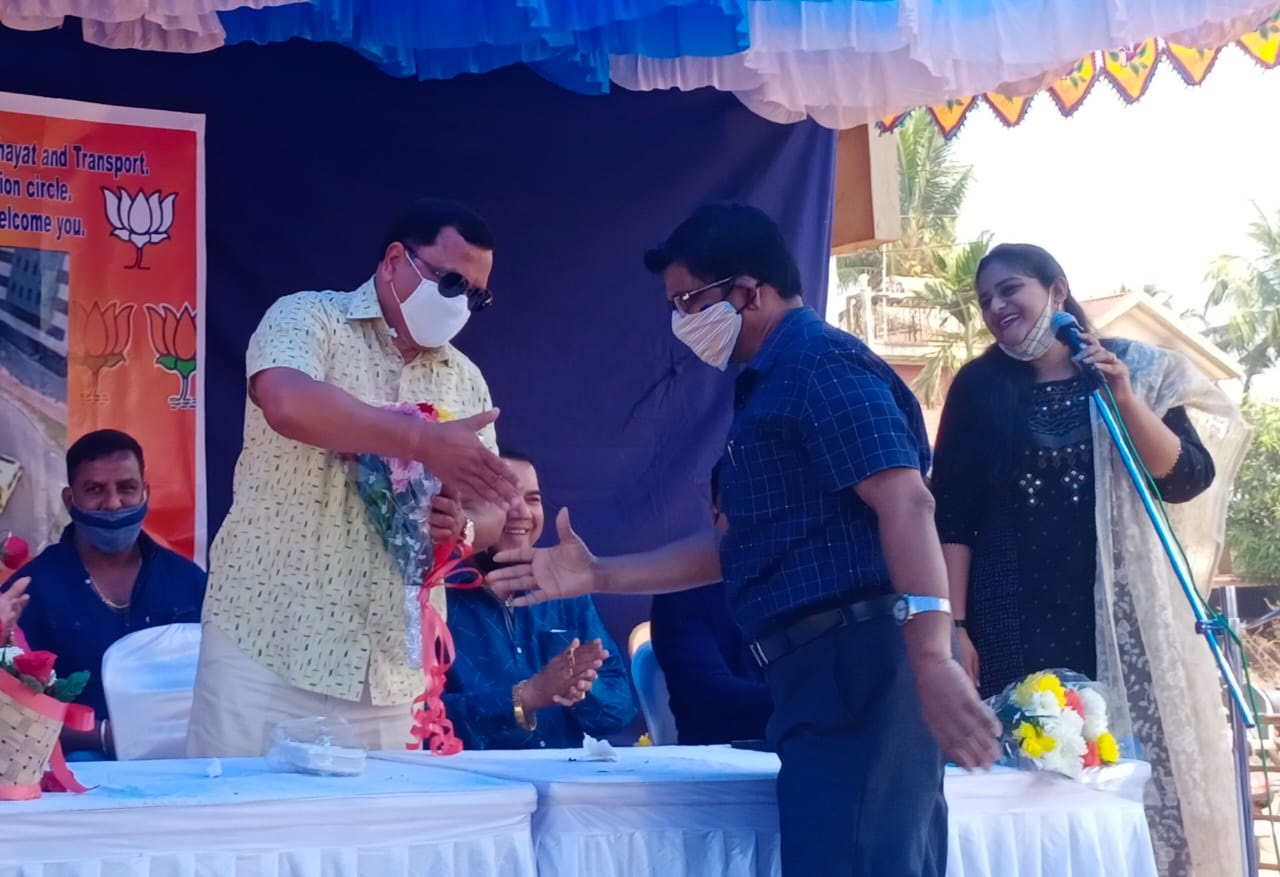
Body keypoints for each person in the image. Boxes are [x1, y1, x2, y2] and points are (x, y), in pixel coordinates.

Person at [488, 203, 1000, 875]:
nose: (679, 323)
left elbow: (905, 498)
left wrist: (933, 655)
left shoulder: (821, 366)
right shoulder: (764, 389)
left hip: (863, 660)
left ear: (747, 291)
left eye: (688, 301)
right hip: (815, 673)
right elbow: (735, 547)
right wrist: (598, 574)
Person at [930, 243, 1248, 876]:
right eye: (985, 300)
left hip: (1119, 615)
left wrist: (1126, 398)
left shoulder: (1134, 369)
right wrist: (955, 629)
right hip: (1008, 619)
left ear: (1057, 289)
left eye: (1009, 290)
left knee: (1135, 781)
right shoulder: (978, 386)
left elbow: (1184, 478)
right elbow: (952, 517)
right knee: (1028, 784)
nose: (996, 308)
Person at [188, 198, 522, 757]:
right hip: (268, 647)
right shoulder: (307, 318)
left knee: (374, 844)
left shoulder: (465, 379)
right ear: (395, 260)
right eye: (451, 283)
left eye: (476, 295)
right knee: (235, 835)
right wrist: (419, 439)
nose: (461, 304)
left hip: (390, 672)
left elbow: (495, 508)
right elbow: (287, 403)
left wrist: (461, 525)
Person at [3, 429, 206, 759]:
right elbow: (10, 714)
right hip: (78, 772)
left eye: (127, 488)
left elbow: (220, 687)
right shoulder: (31, 590)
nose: (113, 504)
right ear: (70, 501)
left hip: (180, 763)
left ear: (145, 493)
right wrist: (102, 736)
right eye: (95, 490)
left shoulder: (188, 581)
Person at [444, 451, 635, 749]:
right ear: (466, 507)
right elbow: (417, 716)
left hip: (565, 782)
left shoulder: (566, 592)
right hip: (470, 786)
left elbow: (619, 709)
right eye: (503, 498)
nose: (521, 512)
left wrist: (579, 688)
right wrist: (527, 696)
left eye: (532, 499)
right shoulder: (436, 593)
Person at [650, 462, 771, 744]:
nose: (758, 516)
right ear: (714, 512)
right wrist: (813, 703)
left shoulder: (813, 581)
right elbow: (708, 696)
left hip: (817, 744)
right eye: (742, 503)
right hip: (726, 761)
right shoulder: (682, 592)